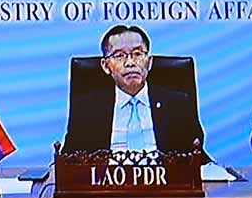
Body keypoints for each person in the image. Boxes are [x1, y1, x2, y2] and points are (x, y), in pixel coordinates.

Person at [60, 25, 205, 154]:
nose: (130, 63)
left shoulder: (178, 104)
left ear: (149, 62)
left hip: (165, 176)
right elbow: (69, 159)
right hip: (107, 176)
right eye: (119, 56)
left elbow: (196, 155)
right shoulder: (87, 108)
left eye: (137, 54)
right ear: (105, 65)